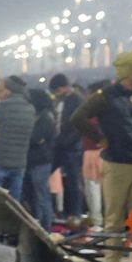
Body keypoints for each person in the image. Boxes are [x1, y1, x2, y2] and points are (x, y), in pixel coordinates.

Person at [73, 52, 132, 262]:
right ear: (130, 73)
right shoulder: (106, 97)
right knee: (114, 219)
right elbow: (78, 117)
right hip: (117, 164)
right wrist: (100, 138)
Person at [0, 76, 34, 200]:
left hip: (0, 160)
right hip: (20, 161)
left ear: (8, 90)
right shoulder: (30, 109)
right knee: (14, 199)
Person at [50, 74, 85, 218]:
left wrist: (67, 141)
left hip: (71, 147)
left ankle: (75, 212)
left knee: (72, 181)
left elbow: (79, 125)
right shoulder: (62, 100)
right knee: (64, 179)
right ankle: (64, 211)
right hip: (60, 145)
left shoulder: (76, 100)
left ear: (62, 87)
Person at [24, 89, 57, 229]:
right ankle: (39, 224)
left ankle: (46, 226)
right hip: (35, 160)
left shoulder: (45, 117)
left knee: (42, 196)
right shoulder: (39, 116)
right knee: (37, 196)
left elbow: (36, 138)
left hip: (41, 161)